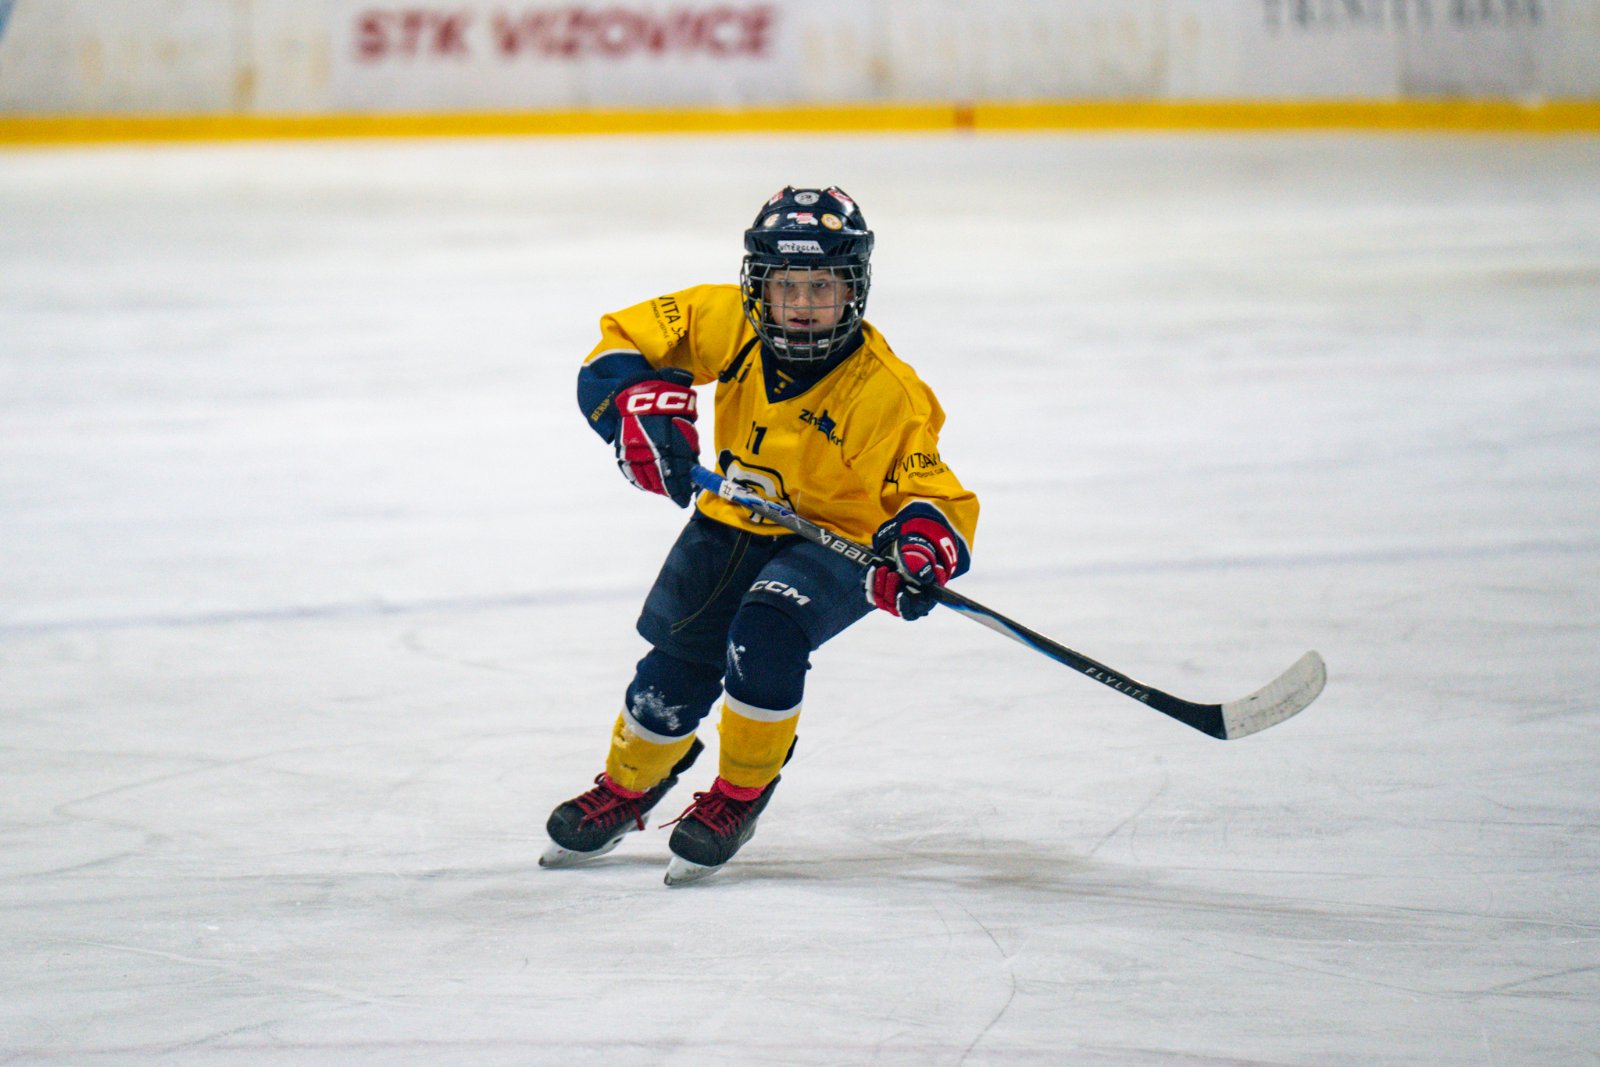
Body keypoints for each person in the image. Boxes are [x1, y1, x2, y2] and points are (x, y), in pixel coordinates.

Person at [541, 186, 980, 885]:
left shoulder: (883, 391)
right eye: (785, 285)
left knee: (765, 633)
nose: (801, 303)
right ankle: (629, 785)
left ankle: (740, 794)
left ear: (853, 289)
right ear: (759, 286)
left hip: (834, 541)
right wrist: (629, 404)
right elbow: (620, 342)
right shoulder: (727, 319)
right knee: (674, 667)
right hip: (730, 519)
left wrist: (922, 546)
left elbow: (932, 493)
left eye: (821, 286)